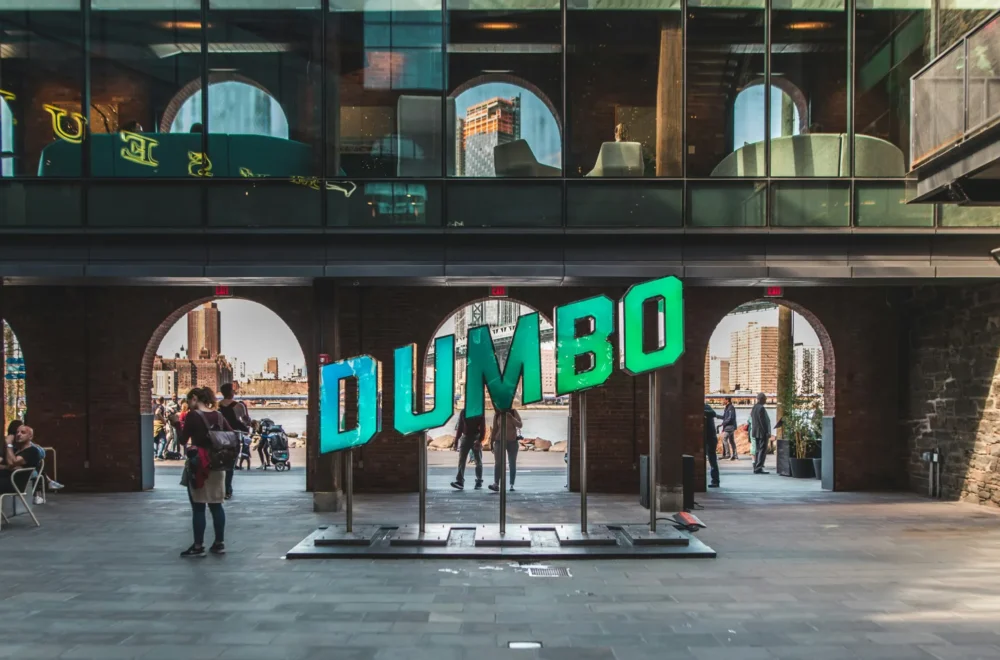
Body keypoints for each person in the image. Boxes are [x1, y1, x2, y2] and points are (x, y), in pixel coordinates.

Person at [180, 387, 231, 558]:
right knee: (216, 505)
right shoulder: (218, 415)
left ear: (194, 398)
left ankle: (198, 545)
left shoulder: (192, 416)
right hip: (217, 464)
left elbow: (182, 440)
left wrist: (175, 423)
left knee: (198, 506)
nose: (188, 404)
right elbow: (229, 435)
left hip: (199, 464)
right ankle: (219, 543)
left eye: (188, 400)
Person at [218, 383, 250, 500]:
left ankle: (220, 488)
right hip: (233, 436)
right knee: (230, 464)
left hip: (219, 437)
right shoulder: (238, 406)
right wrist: (247, 428)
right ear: (231, 392)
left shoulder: (217, 406)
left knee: (220, 463)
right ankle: (227, 489)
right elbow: (244, 420)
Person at [1, 424, 42, 496]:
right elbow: (7, 464)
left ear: (30, 437)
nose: (19, 434)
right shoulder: (15, 450)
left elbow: (12, 463)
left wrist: (9, 444)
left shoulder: (32, 451)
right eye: (17, 432)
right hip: (5, 479)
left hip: (15, 484)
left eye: (23, 432)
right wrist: (7, 467)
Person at [450, 409, 485, 490]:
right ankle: (473, 481)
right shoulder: (477, 411)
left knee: (470, 460)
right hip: (470, 437)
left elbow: (460, 427)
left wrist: (480, 440)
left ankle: (463, 481)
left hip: (471, 437)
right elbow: (483, 428)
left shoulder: (466, 411)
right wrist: (480, 439)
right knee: (475, 460)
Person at [488, 408, 522, 492]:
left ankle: (511, 484)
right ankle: (496, 484)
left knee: (512, 463)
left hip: (512, 441)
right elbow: (495, 429)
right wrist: (491, 442)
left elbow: (520, 425)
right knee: (498, 463)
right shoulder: (498, 414)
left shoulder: (513, 412)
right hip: (499, 440)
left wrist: (511, 417)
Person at [750, 392, 772, 474]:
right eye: (765, 399)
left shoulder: (754, 407)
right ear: (762, 399)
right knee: (762, 450)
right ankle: (759, 467)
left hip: (755, 432)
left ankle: (756, 467)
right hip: (762, 432)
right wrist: (767, 432)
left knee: (758, 450)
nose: (766, 400)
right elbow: (763, 422)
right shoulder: (761, 408)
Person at [703, 404, 722, 488]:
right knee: (712, 459)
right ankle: (714, 480)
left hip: (710, 438)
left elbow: (713, 413)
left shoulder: (706, 407)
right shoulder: (706, 407)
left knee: (712, 459)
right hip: (708, 438)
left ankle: (715, 480)